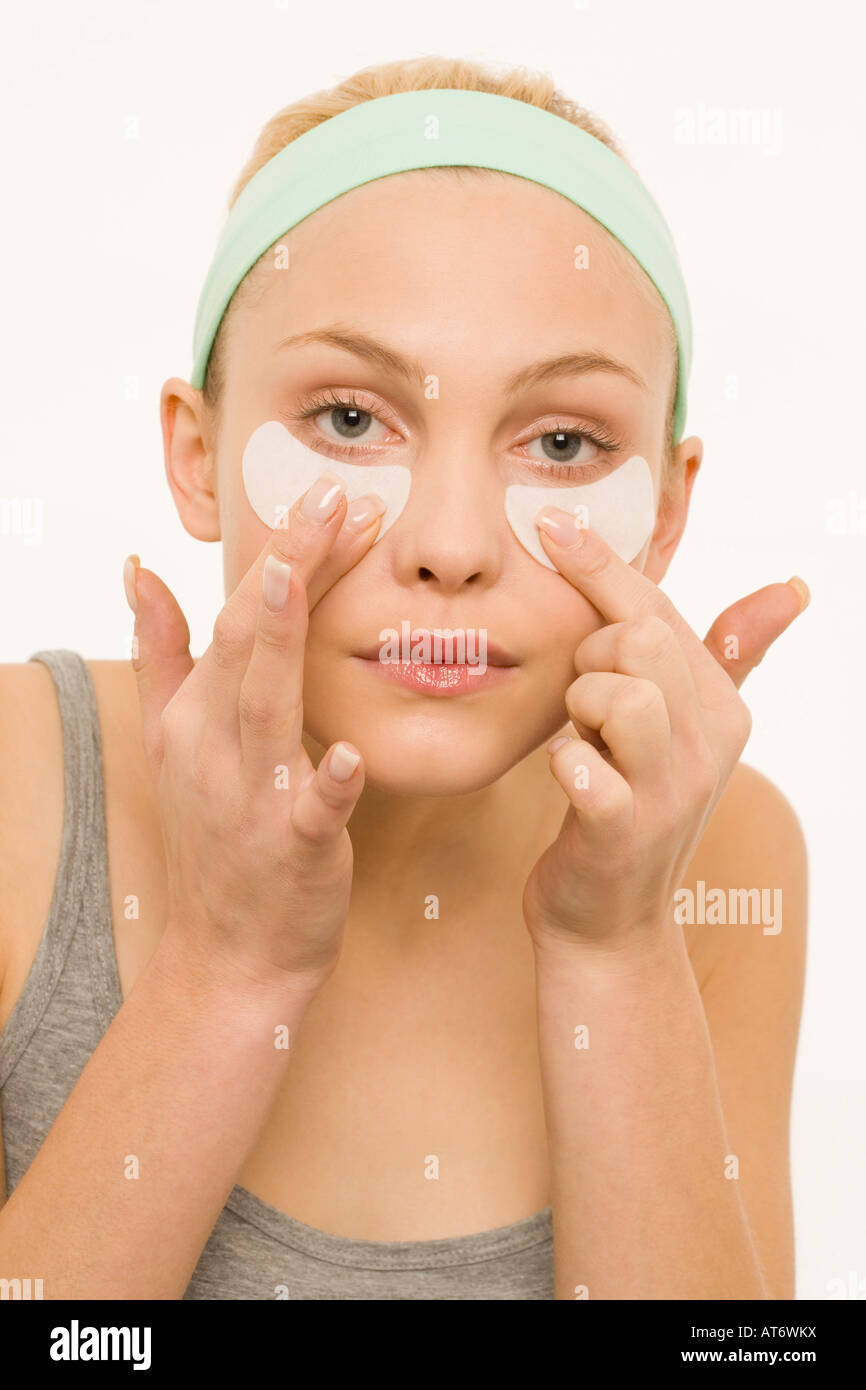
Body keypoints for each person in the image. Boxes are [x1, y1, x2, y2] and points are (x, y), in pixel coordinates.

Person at [0, 55, 808, 1301]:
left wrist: (617, 951)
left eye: (559, 442)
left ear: (665, 510)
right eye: (348, 418)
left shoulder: (719, 850)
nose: (450, 544)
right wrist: (228, 971)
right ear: (197, 454)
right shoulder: (22, 787)